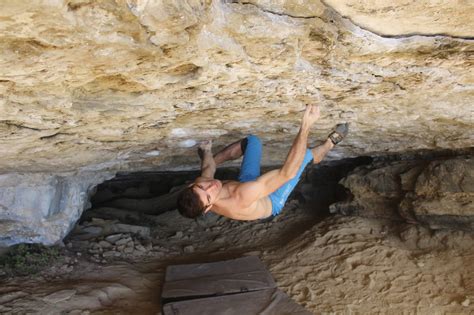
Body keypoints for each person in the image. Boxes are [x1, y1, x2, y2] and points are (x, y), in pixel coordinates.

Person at [177, 104, 348, 220]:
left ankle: (316, 150)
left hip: (245, 183)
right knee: (303, 157)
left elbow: (207, 168)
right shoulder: (241, 196)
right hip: (272, 200)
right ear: (208, 208)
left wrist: (206, 150)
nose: (211, 186)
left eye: (201, 186)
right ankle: (328, 145)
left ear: (192, 184)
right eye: (208, 196)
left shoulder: (203, 185)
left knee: (252, 142)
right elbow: (287, 173)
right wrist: (306, 125)